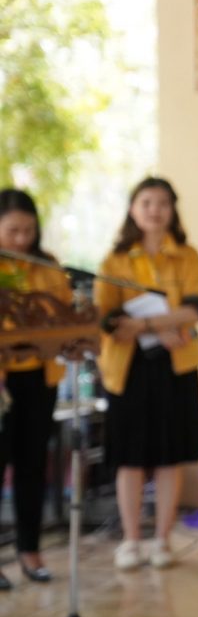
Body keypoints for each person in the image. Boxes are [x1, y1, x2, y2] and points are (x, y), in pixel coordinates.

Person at [94, 177, 198, 570]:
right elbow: (107, 317)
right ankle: (131, 540)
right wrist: (159, 327)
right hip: (128, 369)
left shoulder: (187, 256)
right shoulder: (115, 260)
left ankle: (162, 540)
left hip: (176, 364)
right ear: (132, 208)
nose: (154, 210)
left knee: (170, 456)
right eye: (146, 202)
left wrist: (144, 324)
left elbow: (194, 309)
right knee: (130, 458)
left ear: (173, 210)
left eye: (162, 203)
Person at [0, 189, 71, 590]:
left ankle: (30, 550)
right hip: (2, 379)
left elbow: (65, 314)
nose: (21, 239)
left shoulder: (48, 267)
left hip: (39, 378)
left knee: (31, 465)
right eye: (12, 231)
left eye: (28, 230)